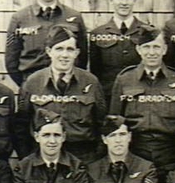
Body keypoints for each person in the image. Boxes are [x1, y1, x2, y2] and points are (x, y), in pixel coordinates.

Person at [14, 24, 107, 164]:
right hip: (44, 158)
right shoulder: (33, 82)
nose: (64, 55)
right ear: (49, 51)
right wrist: (30, 160)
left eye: (70, 49)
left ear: (76, 53)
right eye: (59, 49)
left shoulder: (90, 82)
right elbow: (21, 126)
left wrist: (94, 160)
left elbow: (102, 123)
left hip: (82, 157)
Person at [110, 25, 175, 176]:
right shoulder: (124, 80)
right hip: (136, 151)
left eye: (156, 47)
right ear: (138, 50)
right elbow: (115, 122)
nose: (152, 52)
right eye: (146, 47)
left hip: (170, 153)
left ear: (164, 50)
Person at [5, 0, 88, 87]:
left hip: (67, 87)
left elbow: (82, 58)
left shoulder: (74, 17)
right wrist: (28, 85)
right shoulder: (19, 19)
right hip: (32, 87)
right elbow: (11, 62)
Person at [89, 0, 144, 105]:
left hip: (138, 97)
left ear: (135, 0)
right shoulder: (98, 33)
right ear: (111, 0)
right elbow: (95, 71)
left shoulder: (146, 32)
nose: (124, 2)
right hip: (108, 97)